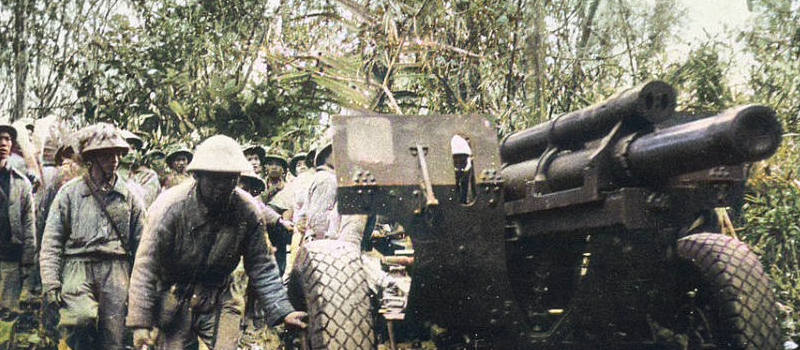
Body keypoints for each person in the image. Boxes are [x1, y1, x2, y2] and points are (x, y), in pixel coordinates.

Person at [126, 135, 306, 350]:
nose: (222, 186)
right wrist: (140, 323)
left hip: (219, 296)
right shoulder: (169, 208)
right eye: (214, 178)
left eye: (230, 179)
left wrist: (284, 310)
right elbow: (147, 266)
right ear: (198, 176)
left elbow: (261, 265)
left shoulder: (247, 210)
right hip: (175, 296)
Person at [39, 123, 146, 350]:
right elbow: (52, 241)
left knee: (113, 337)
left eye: (117, 153)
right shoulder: (70, 193)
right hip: (77, 266)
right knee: (80, 319)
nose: (115, 160)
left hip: (116, 268)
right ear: (93, 157)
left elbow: (143, 245)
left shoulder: (130, 196)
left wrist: (141, 287)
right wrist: (51, 283)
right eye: (107, 154)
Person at [0, 122, 35, 313]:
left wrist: (27, 261)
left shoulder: (21, 183)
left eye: (7, 139)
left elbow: (29, 225)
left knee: (7, 317)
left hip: (9, 259)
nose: (3, 143)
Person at [120, 130, 161, 207]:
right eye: (128, 148)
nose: (132, 152)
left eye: (134, 148)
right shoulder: (108, 173)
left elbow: (145, 202)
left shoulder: (149, 176)